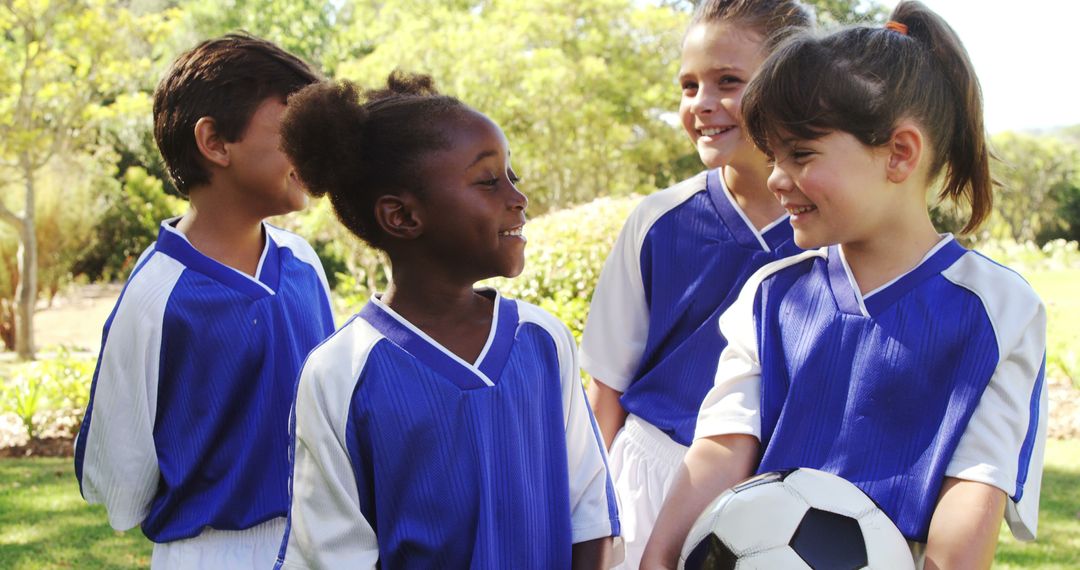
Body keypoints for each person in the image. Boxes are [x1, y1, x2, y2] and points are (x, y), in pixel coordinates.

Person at [643, 2, 1047, 568]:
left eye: (801, 154)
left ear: (899, 154)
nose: (779, 178)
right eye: (773, 156)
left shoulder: (1000, 309)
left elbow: (973, 490)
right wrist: (658, 558)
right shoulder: (770, 296)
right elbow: (723, 445)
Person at [273, 72, 619, 570]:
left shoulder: (542, 339)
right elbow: (333, 552)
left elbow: (589, 510)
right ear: (402, 216)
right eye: (487, 180)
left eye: (512, 177)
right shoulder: (339, 373)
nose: (517, 198)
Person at [74, 34, 335, 568]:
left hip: (322, 546)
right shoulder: (155, 298)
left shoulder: (304, 262)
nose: (314, 153)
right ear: (214, 142)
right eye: (294, 132)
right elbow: (121, 478)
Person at [579, 2, 811, 566]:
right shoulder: (659, 220)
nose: (701, 104)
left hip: (783, 507)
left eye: (727, 81)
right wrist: (586, 519)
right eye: (688, 85)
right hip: (649, 484)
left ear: (794, 84)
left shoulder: (831, 228)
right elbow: (606, 389)